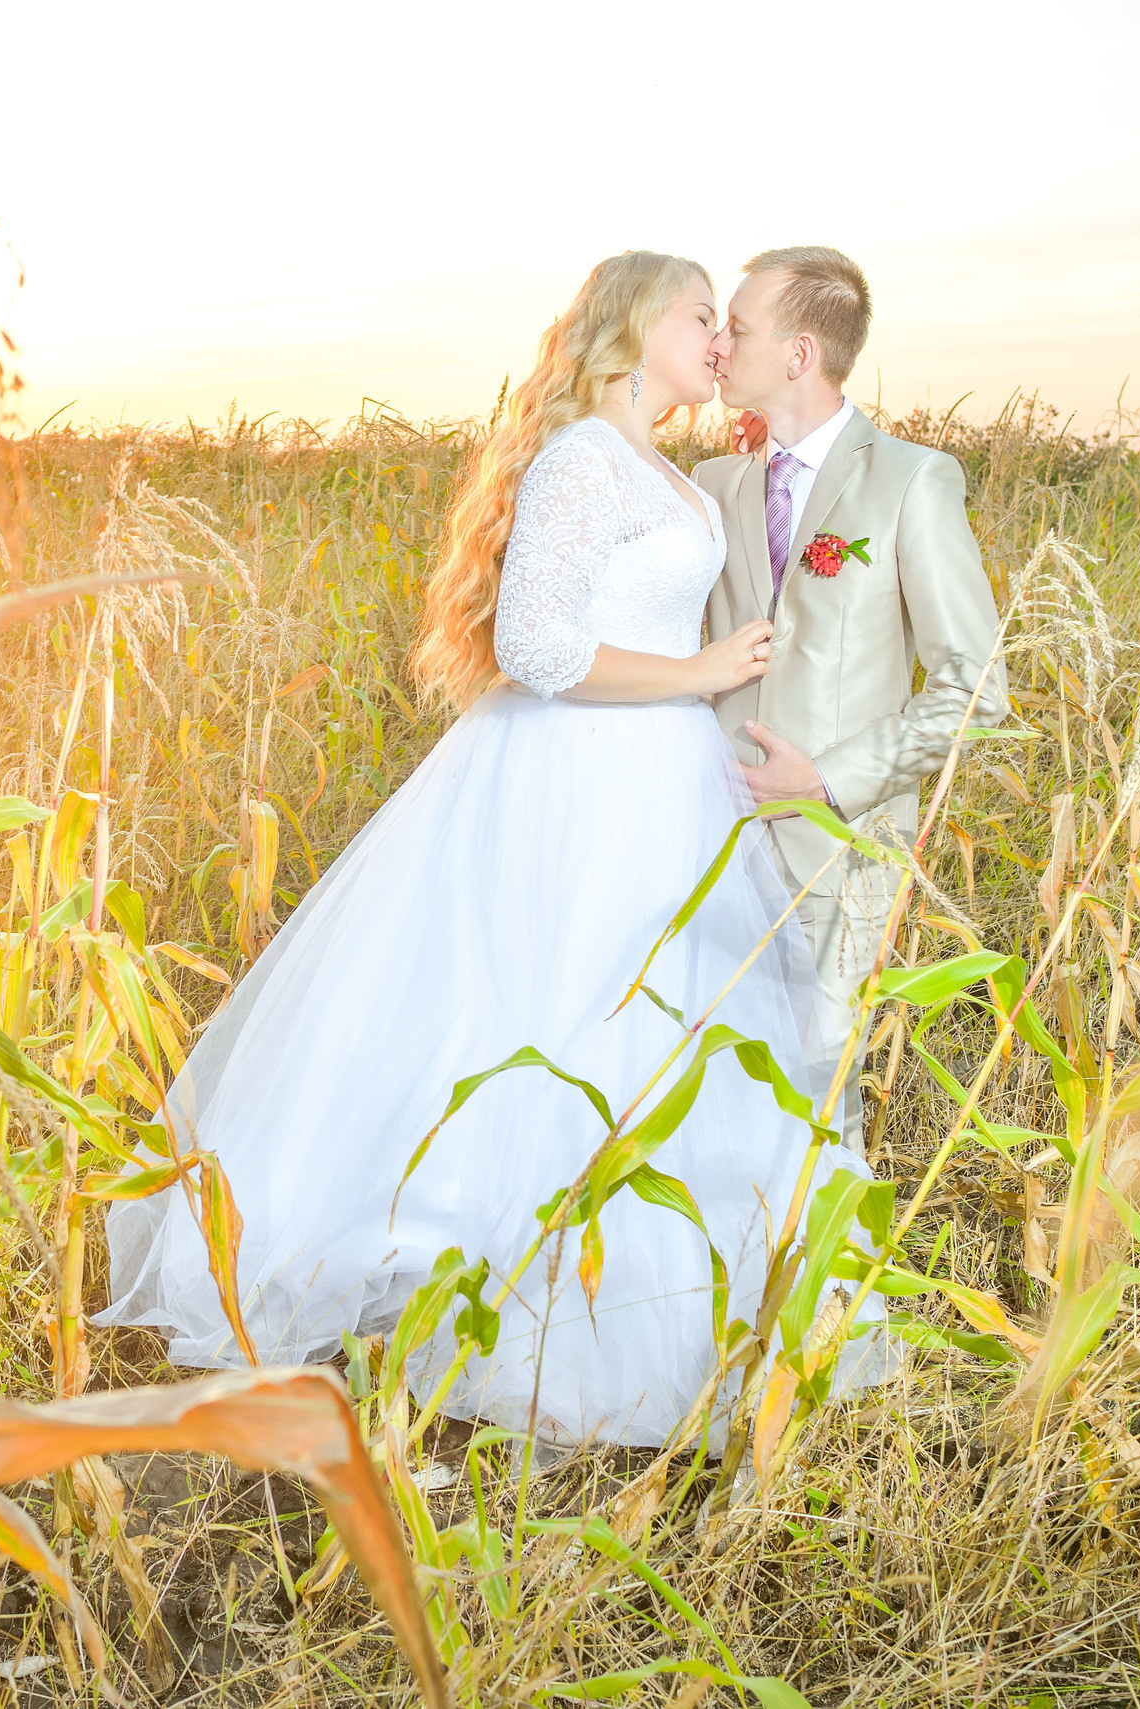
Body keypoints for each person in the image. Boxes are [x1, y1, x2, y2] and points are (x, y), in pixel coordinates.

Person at [97, 252, 889, 1448]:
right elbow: (535, 645)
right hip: (575, 778)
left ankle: (679, 1282)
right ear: (635, 326)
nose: (718, 339)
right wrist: (698, 671)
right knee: (555, 1014)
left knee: (658, 1020)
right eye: (699, 316)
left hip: (663, 775)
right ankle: (524, 1293)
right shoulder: (582, 458)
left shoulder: (663, 468)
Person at [695, 246, 1008, 1142]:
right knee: (707, 1093)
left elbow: (977, 688)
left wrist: (829, 779)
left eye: (737, 328)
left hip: (842, 851)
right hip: (711, 844)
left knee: (817, 1107)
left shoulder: (912, 480)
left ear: (800, 353)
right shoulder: (713, 484)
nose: (718, 345)